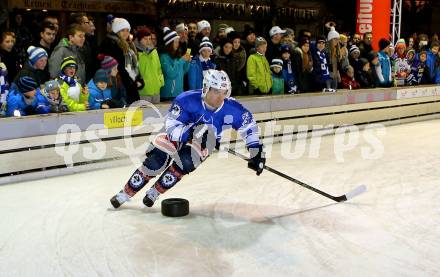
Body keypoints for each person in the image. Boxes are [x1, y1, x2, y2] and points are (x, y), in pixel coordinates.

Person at [109, 69, 265, 208]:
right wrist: (190, 133)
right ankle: (126, 193)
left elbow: (249, 126)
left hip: (204, 142)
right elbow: (170, 126)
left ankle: (155, 192)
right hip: (178, 134)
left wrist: (256, 151)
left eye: (224, 91)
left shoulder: (232, 108)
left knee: (185, 163)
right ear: (206, 88)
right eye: (216, 91)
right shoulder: (186, 99)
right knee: (156, 161)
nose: (221, 96)